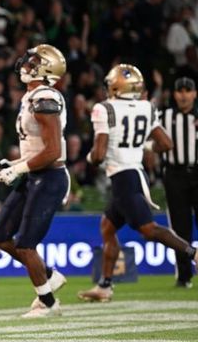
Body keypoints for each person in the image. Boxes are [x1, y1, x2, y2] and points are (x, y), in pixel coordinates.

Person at [79, 65, 198, 302]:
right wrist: (142, 146)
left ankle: (193, 253)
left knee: (149, 230)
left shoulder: (104, 109)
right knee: (107, 227)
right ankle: (105, 285)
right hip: (135, 173)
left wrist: (90, 157)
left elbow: (100, 155)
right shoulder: (146, 107)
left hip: (123, 176)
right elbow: (165, 144)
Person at [0, 44, 69, 318]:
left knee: (25, 244)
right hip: (34, 173)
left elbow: (52, 152)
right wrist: (13, 165)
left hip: (49, 176)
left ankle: (48, 304)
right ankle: (48, 275)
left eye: (35, 60)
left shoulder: (45, 97)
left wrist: (19, 168)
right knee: (0, 235)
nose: (27, 62)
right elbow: (37, 148)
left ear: (47, 68)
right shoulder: (32, 96)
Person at [159, 77, 198, 288]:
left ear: (194, 94)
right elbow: (153, 142)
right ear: (174, 94)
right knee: (180, 227)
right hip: (175, 175)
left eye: (187, 90)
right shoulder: (165, 116)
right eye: (180, 91)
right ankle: (184, 276)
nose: (183, 94)